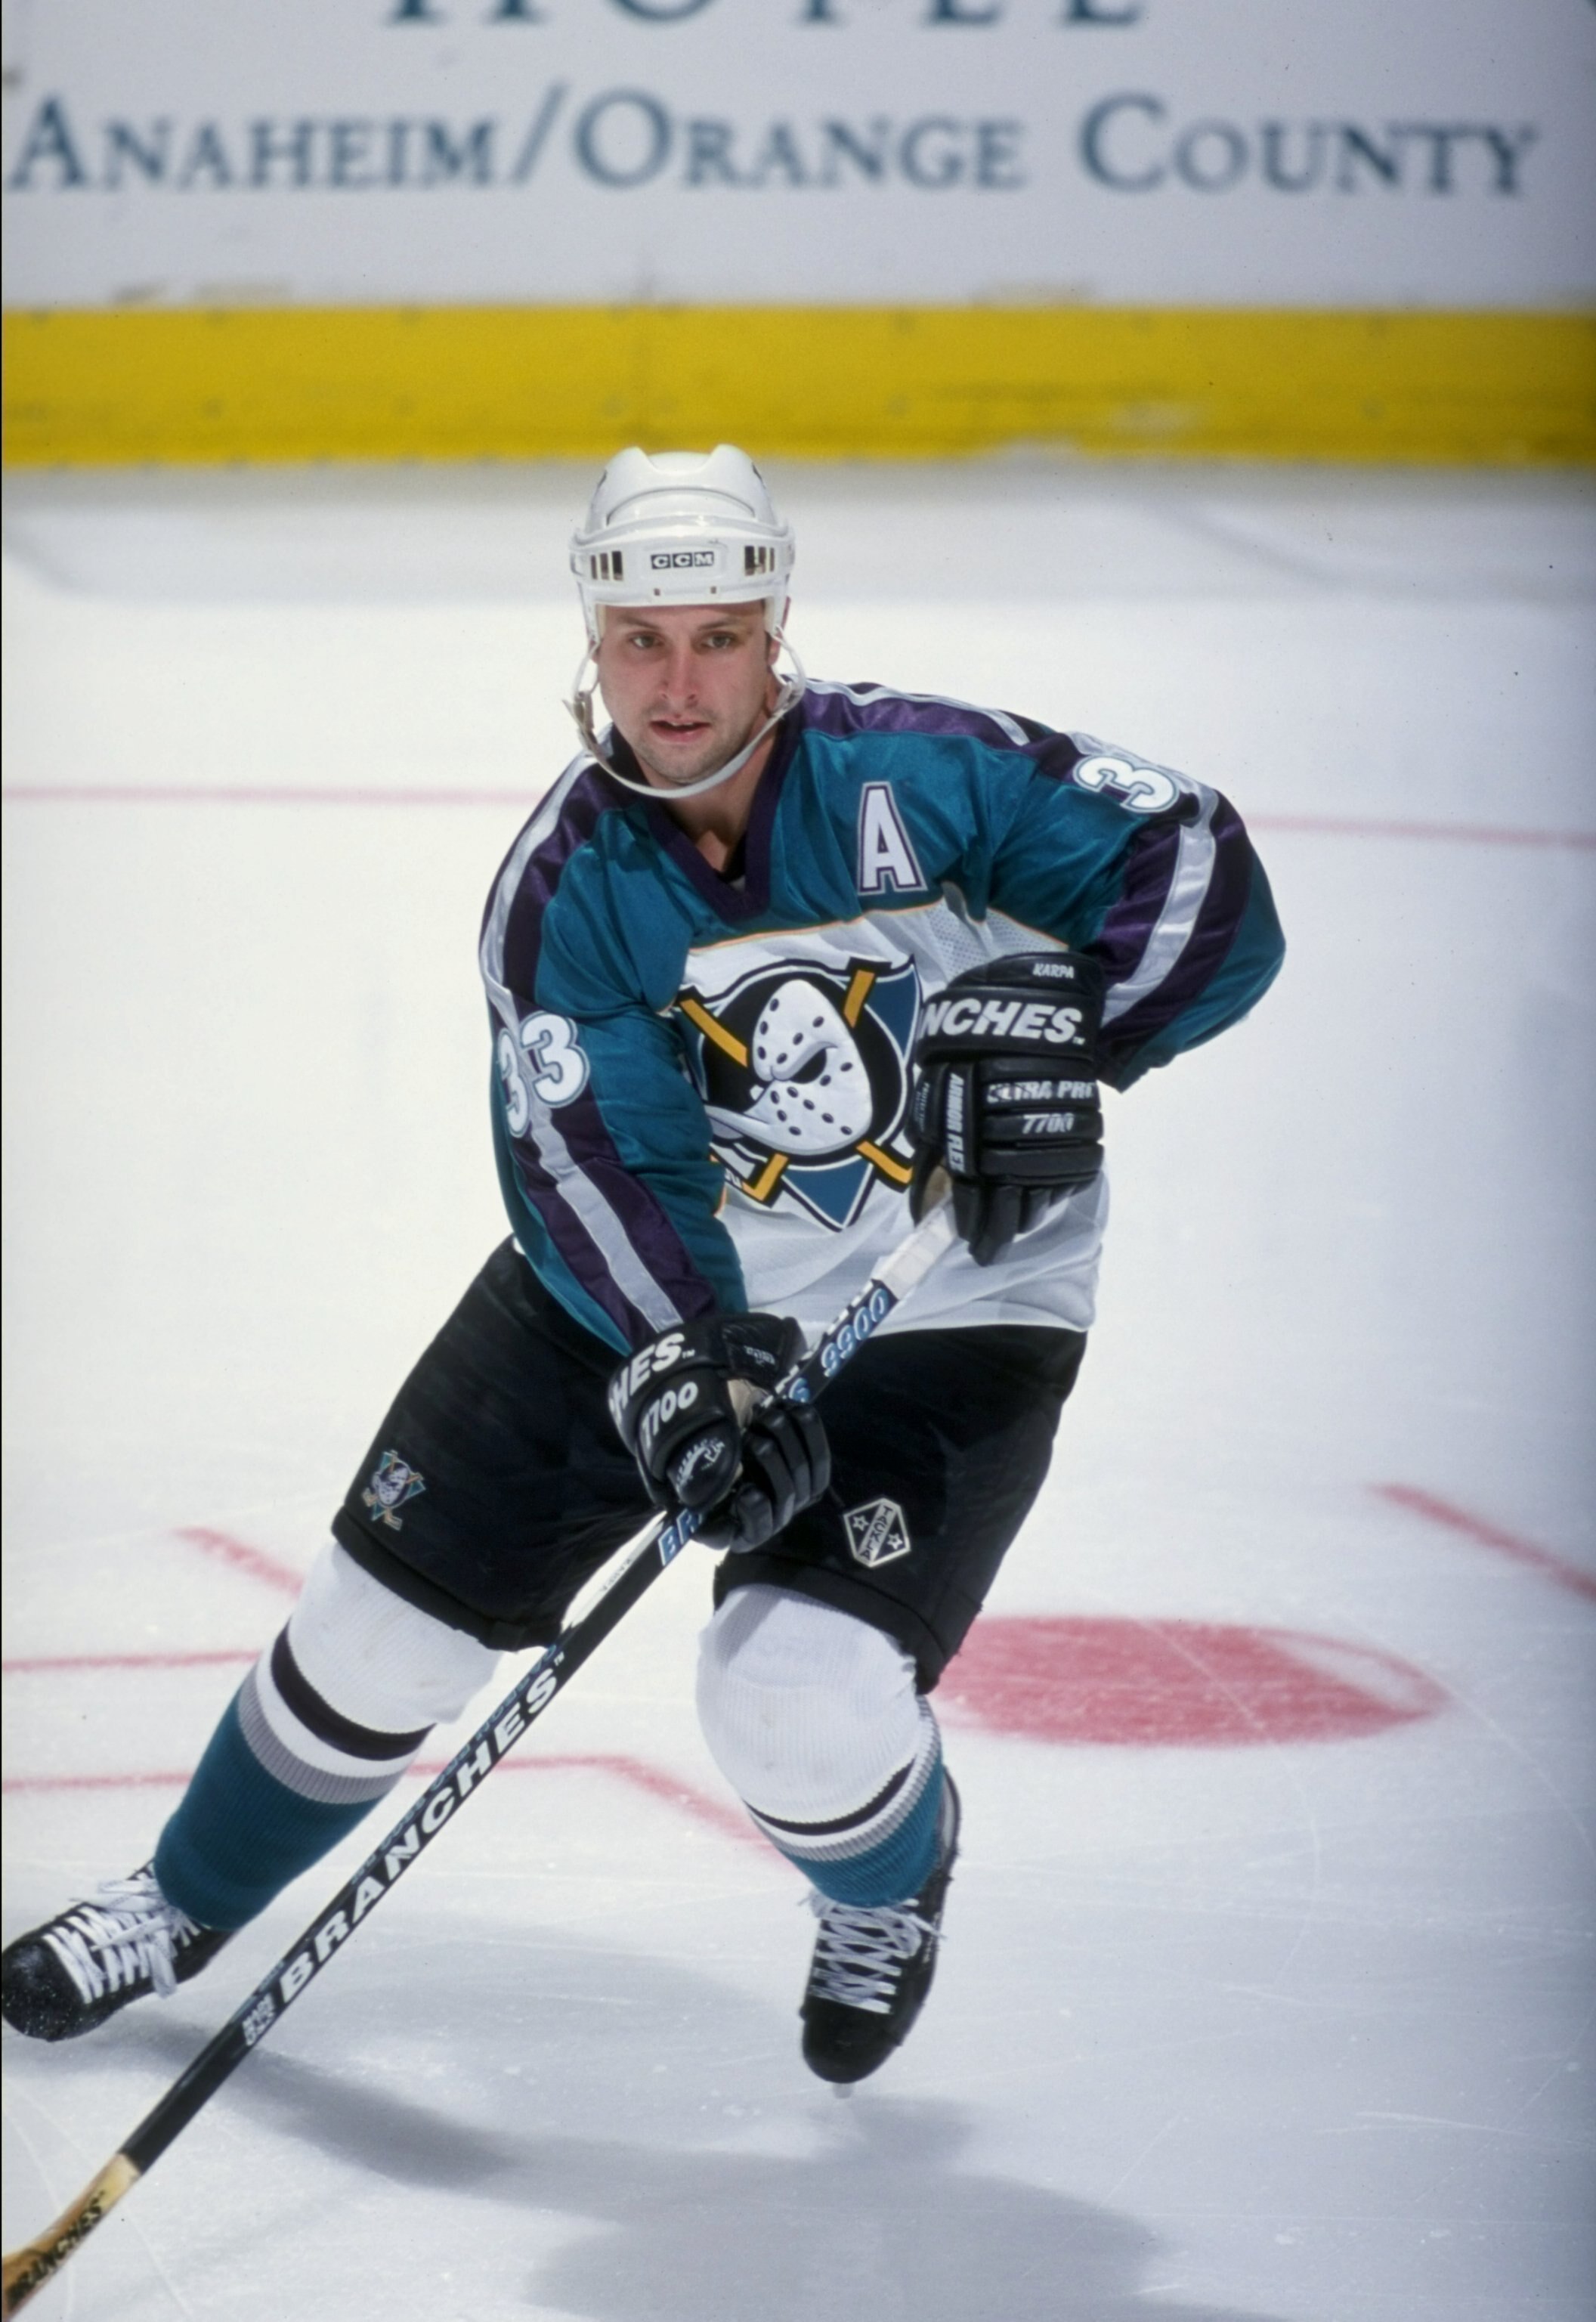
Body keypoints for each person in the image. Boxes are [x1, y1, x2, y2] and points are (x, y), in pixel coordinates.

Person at [2, 447, 1284, 2085]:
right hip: (641, 1288)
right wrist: (686, 1354)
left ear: (778, 631)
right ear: (592, 646)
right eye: (641, 641)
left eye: (719, 638)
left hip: (951, 1303)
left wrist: (1076, 1025)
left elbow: (1200, 868)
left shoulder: (927, 779)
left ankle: (894, 1880)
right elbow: (592, 1160)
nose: (680, 684)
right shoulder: (568, 890)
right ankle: (178, 1903)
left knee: (796, 1698)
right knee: (378, 1636)